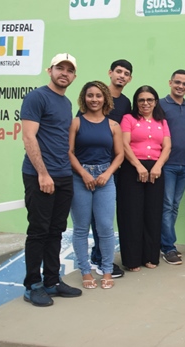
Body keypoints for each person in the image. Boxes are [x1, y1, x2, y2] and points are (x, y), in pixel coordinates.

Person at [21, 53, 82, 306]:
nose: (64, 73)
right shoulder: (37, 97)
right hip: (40, 175)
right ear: (50, 70)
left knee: (56, 231)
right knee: (39, 231)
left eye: (69, 70)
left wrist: (61, 172)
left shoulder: (66, 103)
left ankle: (52, 281)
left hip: (63, 175)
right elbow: (28, 137)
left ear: (74, 76)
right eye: (60, 68)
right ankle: (32, 285)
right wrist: (43, 174)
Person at [68, 81, 124, 290]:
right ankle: (85, 271)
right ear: (84, 98)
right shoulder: (76, 123)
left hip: (105, 180)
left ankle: (107, 270)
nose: (94, 99)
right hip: (80, 179)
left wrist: (107, 174)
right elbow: (69, 152)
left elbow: (119, 155)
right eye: (90, 95)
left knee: (106, 227)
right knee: (81, 228)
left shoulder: (113, 125)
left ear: (105, 99)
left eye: (98, 96)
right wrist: (83, 173)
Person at [117, 86, 171, 271]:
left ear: (155, 102)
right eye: (141, 100)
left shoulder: (162, 121)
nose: (145, 103)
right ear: (136, 102)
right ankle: (132, 259)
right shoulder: (128, 119)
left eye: (149, 100)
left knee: (153, 213)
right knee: (132, 214)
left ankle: (150, 256)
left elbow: (167, 146)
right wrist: (138, 166)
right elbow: (124, 144)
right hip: (132, 169)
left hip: (155, 170)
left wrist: (158, 166)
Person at [89, 59, 132, 279]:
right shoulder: (96, 95)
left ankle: (100, 256)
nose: (121, 76)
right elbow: (81, 126)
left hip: (114, 166)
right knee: (96, 218)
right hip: (91, 165)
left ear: (129, 79)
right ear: (110, 73)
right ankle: (98, 259)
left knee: (105, 217)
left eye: (126, 73)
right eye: (118, 71)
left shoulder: (125, 103)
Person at [158, 70, 185, 265]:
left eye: (184, 84)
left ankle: (164, 242)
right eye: (177, 82)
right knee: (166, 205)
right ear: (170, 82)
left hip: (184, 164)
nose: (181, 86)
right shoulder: (160, 105)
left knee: (173, 206)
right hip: (166, 164)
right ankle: (168, 247)